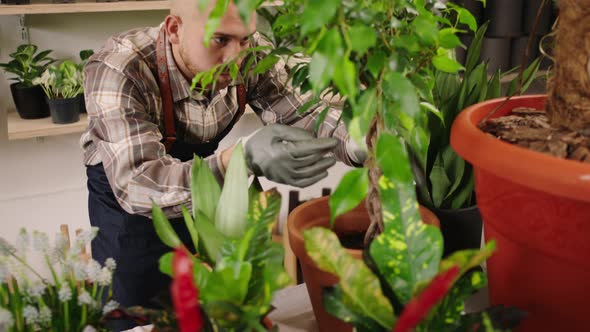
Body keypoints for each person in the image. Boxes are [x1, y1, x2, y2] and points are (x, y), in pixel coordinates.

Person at [81, 0, 365, 328]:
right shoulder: (119, 66)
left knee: (211, 311)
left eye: (244, 40)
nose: (236, 58)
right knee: (137, 318)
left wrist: (358, 142)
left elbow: (303, 114)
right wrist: (239, 159)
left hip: (204, 195)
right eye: (220, 40)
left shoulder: (250, 52)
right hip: (132, 215)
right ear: (174, 29)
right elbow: (138, 183)